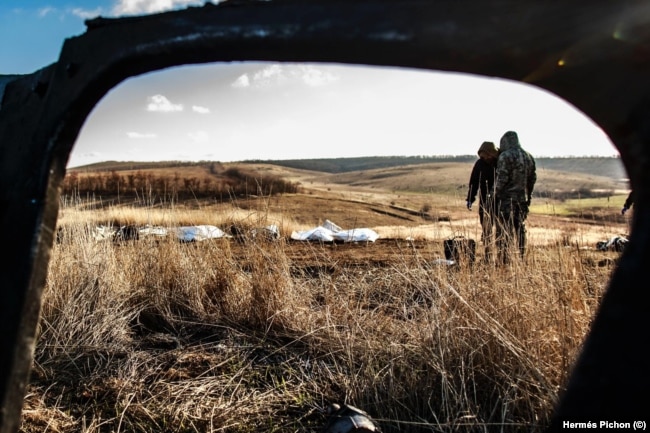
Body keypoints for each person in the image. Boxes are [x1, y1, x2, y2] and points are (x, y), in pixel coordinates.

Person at [494, 131, 536, 264]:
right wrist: (528, 197)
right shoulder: (528, 156)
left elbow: (502, 178)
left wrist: (492, 194)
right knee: (520, 229)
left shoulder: (505, 156)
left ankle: (504, 260)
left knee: (504, 229)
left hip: (506, 200)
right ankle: (520, 257)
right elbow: (532, 180)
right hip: (522, 200)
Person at [466, 141, 499, 263]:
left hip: (500, 201)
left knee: (502, 229)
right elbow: (473, 182)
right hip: (485, 202)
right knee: (486, 230)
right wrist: (470, 199)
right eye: (481, 156)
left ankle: (502, 257)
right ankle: (488, 256)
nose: (484, 158)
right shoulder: (480, 164)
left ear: (492, 153)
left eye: (485, 155)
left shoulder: (501, 163)